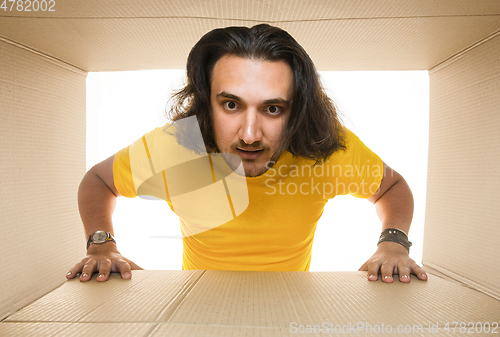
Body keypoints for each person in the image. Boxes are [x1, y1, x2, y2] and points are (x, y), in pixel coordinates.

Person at [67, 24, 427, 284]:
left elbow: (391, 188)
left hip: (289, 309)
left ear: (297, 110)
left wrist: (393, 243)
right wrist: (102, 245)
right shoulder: (176, 146)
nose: (251, 135)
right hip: (198, 307)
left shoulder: (323, 148)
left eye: (273, 109)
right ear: (206, 103)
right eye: (231, 104)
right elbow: (99, 180)